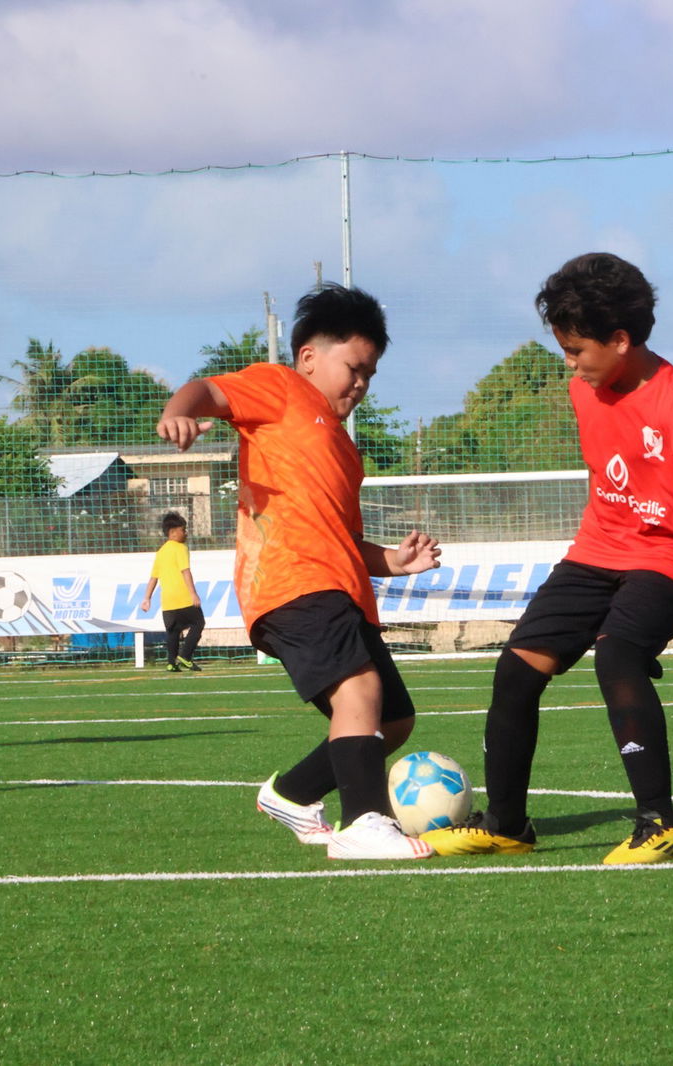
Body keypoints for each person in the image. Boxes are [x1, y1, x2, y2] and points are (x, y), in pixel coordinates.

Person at [423, 252, 673, 864]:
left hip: (670, 556)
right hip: (596, 551)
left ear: (620, 340)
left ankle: (661, 824)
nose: (569, 365)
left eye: (576, 351)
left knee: (618, 656)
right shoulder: (583, 388)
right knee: (516, 671)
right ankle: (508, 824)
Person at [156, 283, 441, 860]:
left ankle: (293, 793)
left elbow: (346, 541)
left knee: (395, 718)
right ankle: (365, 824)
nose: (360, 384)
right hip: (291, 584)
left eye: (371, 375)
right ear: (309, 357)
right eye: (354, 368)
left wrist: (395, 562)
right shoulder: (280, 387)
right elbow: (208, 389)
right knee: (359, 690)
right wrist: (178, 412)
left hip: (341, 590)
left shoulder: (343, 448)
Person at [140, 511, 204, 672]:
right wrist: (193, 594)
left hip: (167, 600)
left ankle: (171, 662)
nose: (185, 533)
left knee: (173, 631)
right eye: (183, 530)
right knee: (198, 623)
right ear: (174, 532)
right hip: (182, 596)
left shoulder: (161, 551)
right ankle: (186, 656)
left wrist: (146, 598)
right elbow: (185, 571)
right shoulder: (180, 547)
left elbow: (153, 577)